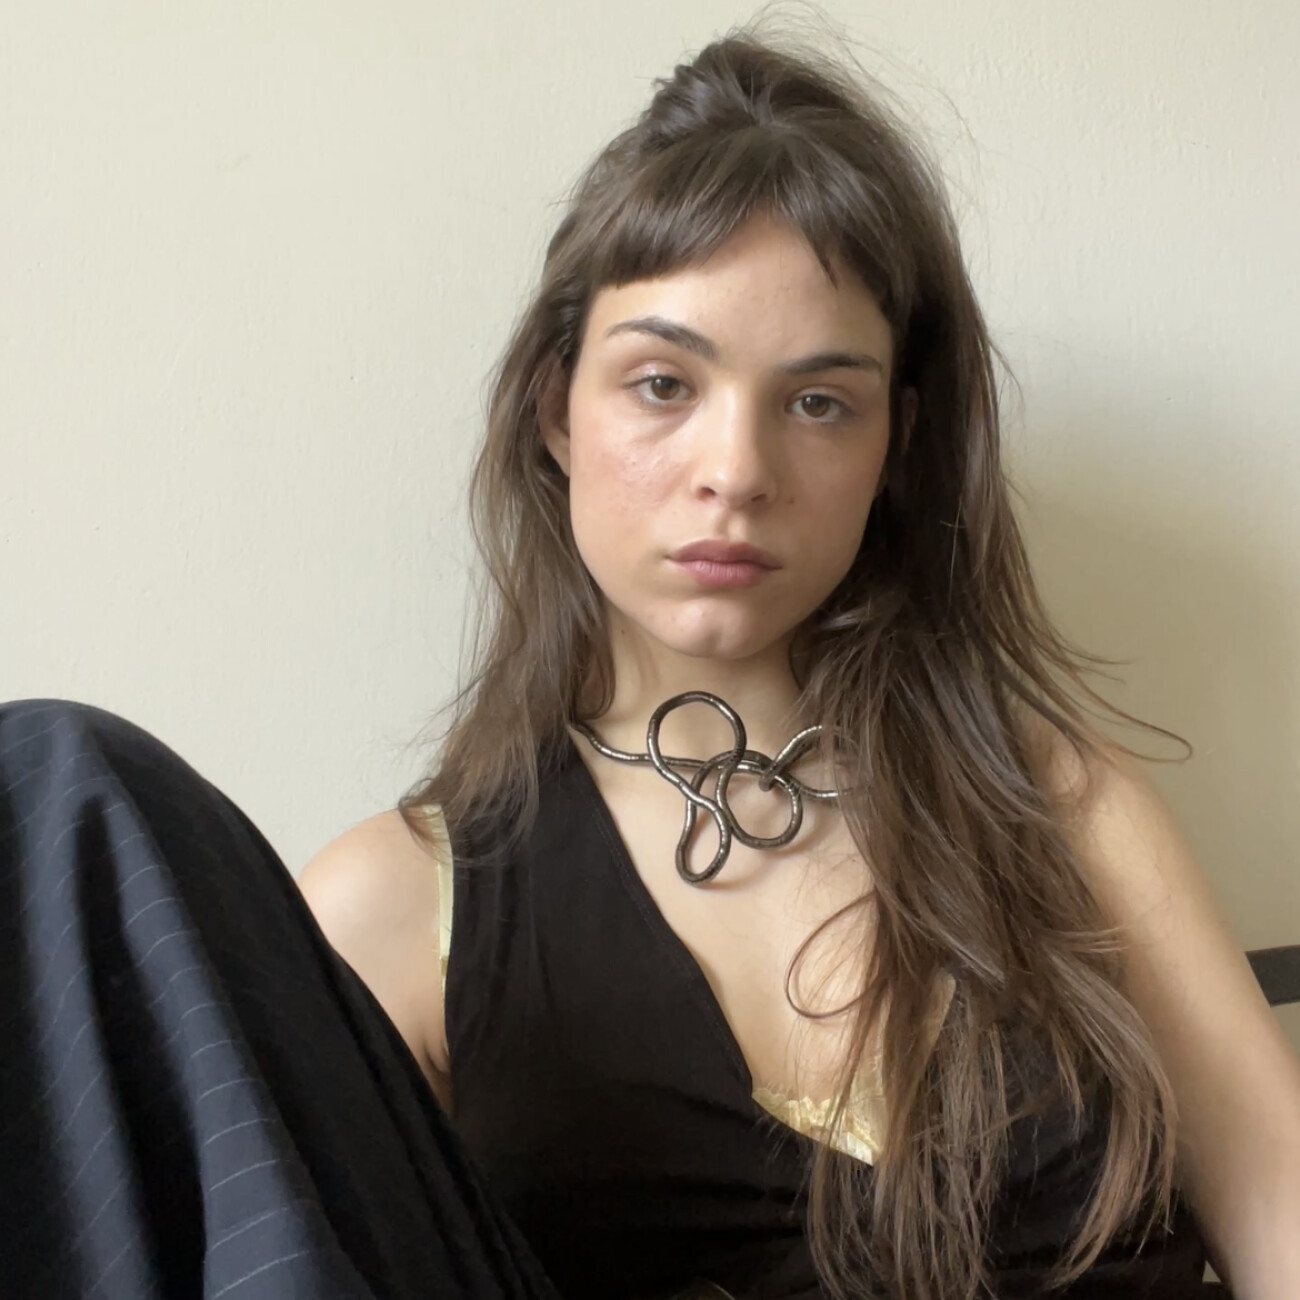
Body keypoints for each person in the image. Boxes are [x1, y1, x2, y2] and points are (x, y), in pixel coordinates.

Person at [3, 25, 1298, 1300]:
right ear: (555, 409)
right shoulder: (395, 913)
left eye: (818, 402)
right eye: (664, 385)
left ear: (895, 448)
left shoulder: (1062, 813)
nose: (736, 471)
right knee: (54, 782)